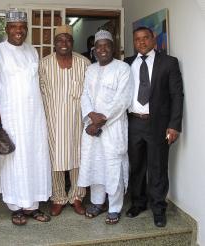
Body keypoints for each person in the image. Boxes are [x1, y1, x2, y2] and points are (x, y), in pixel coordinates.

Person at [0, 9, 52, 226]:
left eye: (22, 27)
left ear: (26, 29)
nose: (18, 31)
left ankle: (32, 206)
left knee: (35, 157)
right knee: (15, 160)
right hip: (11, 116)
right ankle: (16, 207)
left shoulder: (32, 51)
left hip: (35, 116)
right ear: (6, 29)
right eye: (14, 27)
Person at [124, 26, 184, 227]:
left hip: (157, 124)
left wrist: (174, 125)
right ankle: (138, 203)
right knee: (136, 166)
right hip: (133, 122)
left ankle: (158, 208)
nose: (141, 42)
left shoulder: (168, 62)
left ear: (153, 40)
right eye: (137, 39)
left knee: (157, 167)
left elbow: (177, 95)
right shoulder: (127, 64)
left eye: (145, 38)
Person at [77, 30, 133, 224]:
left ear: (113, 48)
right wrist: (90, 117)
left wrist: (100, 121)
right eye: (98, 46)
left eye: (106, 45)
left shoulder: (123, 68)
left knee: (113, 166)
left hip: (113, 127)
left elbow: (122, 100)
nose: (102, 49)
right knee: (95, 164)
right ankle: (97, 202)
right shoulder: (90, 70)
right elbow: (85, 95)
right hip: (92, 127)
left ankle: (115, 207)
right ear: (94, 50)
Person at [39, 25, 90, 216]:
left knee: (78, 159)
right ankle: (59, 197)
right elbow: (39, 92)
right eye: (60, 39)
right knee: (55, 160)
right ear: (54, 43)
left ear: (73, 42)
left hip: (78, 122)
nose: (64, 43)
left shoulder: (84, 63)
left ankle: (77, 197)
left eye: (68, 39)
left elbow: (90, 93)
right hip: (52, 121)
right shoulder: (44, 64)